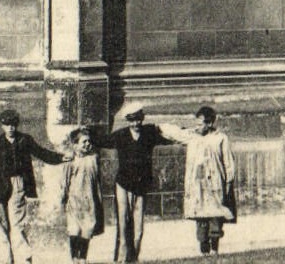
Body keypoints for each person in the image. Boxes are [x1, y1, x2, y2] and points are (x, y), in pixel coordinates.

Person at [0, 106, 64, 264]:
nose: (10, 128)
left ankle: (25, 258)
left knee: (17, 224)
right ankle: (6, 260)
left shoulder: (25, 140)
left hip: (18, 185)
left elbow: (42, 153)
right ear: (2, 126)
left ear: (17, 124)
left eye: (13, 124)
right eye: (7, 125)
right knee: (1, 225)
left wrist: (61, 158)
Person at [108, 106, 188, 262]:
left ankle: (134, 258)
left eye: (138, 119)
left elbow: (167, 138)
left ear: (142, 118)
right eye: (132, 120)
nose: (136, 123)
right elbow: (102, 140)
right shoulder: (121, 135)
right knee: (123, 224)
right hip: (123, 184)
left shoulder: (148, 133)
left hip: (141, 186)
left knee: (138, 228)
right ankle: (120, 259)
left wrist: (186, 136)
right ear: (128, 120)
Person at [182, 105, 236, 256]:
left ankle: (214, 250)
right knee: (201, 219)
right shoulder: (192, 137)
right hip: (198, 185)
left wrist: (228, 184)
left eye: (200, 124)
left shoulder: (221, 139)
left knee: (215, 218)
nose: (197, 127)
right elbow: (175, 134)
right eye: (196, 124)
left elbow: (228, 164)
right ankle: (204, 252)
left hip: (215, 185)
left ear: (210, 123)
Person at [60, 126, 104, 261]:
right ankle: (74, 258)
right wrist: (63, 198)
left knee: (87, 230)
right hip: (74, 201)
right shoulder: (71, 161)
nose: (87, 144)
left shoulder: (94, 158)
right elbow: (65, 182)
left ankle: (83, 258)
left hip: (89, 201)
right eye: (84, 142)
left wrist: (99, 199)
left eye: (89, 142)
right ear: (75, 144)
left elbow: (97, 181)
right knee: (74, 230)